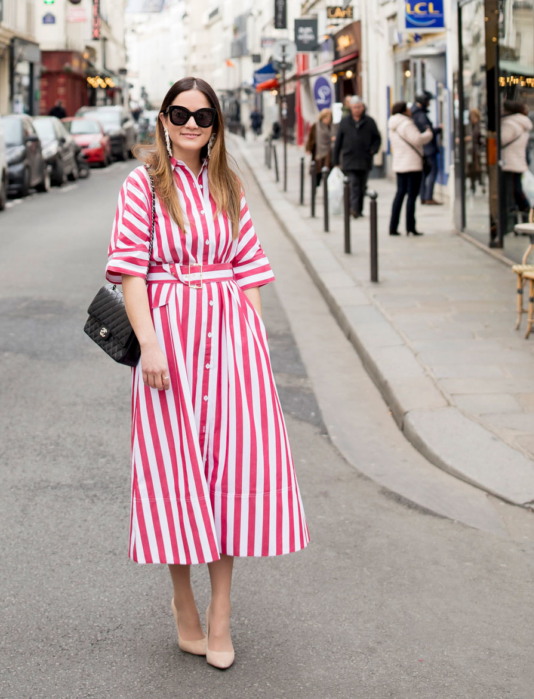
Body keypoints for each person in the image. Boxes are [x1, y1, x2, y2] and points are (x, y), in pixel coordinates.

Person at [106, 76, 308, 670]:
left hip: (232, 343)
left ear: (216, 123)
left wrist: (259, 348)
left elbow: (248, 270)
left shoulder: (228, 184)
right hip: (169, 340)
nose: (191, 123)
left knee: (230, 477)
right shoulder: (143, 184)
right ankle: (181, 600)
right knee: (176, 474)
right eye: (179, 112)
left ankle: (221, 613)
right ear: (163, 119)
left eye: (202, 115)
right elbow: (130, 270)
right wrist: (150, 345)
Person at [332, 96, 381, 217]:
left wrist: (373, 150)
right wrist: (335, 160)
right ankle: (353, 208)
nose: (357, 110)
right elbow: (338, 142)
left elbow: (377, 138)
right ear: (351, 108)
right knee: (354, 184)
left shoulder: (369, 121)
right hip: (349, 159)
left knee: (362, 186)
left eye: (359, 107)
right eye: (354, 107)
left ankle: (358, 210)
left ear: (363, 107)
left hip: (365, 159)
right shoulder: (345, 122)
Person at [388, 101, 432, 236]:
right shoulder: (406, 123)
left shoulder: (392, 125)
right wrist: (429, 134)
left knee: (400, 194)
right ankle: (410, 227)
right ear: (403, 110)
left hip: (399, 163)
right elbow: (417, 139)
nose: (410, 111)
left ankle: (393, 226)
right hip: (412, 164)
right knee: (412, 196)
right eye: (407, 108)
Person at [499, 101, 533, 221]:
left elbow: (501, 140)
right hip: (517, 160)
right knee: (516, 190)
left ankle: (525, 214)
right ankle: (525, 215)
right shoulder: (522, 123)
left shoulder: (510, 124)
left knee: (514, 191)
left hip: (510, 162)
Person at [412, 92, 441, 204]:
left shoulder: (416, 113)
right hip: (428, 148)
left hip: (423, 149)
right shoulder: (421, 115)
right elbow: (427, 131)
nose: (429, 103)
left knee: (424, 174)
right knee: (432, 171)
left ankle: (424, 196)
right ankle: (427, 196)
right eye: (428, 101)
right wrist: (438, 129)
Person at [305, 107, 334, 186]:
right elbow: (311, 138)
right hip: (318, 153)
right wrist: (308, 149)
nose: (328, 119)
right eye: (326, 117)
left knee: (327, 172)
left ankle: (326, 191)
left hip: (329, 153)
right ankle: (314, 190)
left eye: (329, 117)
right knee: (317, 173)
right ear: (322, 117)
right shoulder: (316, 126)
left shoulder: (331, 126)